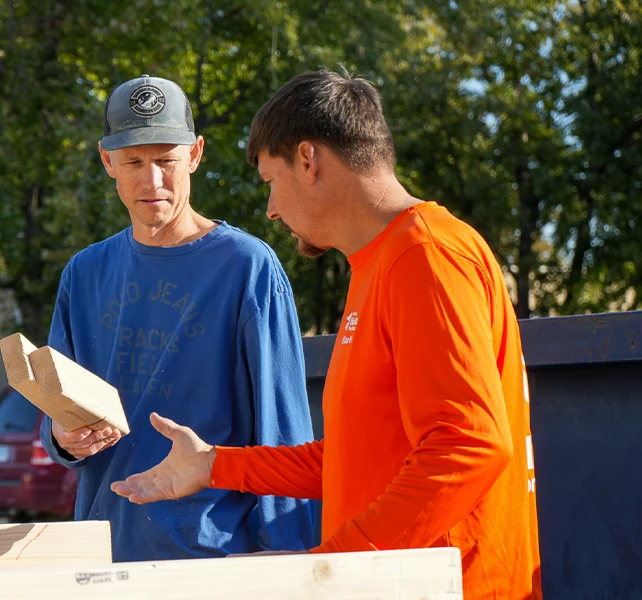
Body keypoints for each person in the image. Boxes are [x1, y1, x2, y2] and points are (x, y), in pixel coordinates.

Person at [111, 71, 542, 599]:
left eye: (271, 182)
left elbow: (468, 446)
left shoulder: (425, 257)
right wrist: (215, 464)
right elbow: (352, 460)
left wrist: (333, 570)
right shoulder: (382, 262)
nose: (270, 209)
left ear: (309, 161)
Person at [39, 74, 316, 562]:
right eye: (134, 162)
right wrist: (63, 437)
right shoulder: (84, 274)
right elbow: (54, 412)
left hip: (214, 562)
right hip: (102, 554)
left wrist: (288, 564)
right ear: (107, 161)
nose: (152, 181)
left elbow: (283, 433)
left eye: (166, 160)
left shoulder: (246, 267)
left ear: (195, 154)